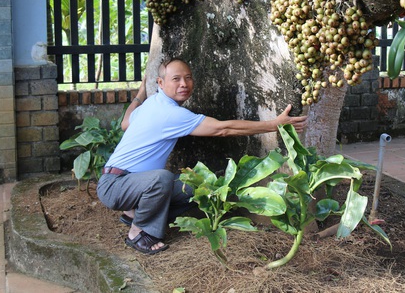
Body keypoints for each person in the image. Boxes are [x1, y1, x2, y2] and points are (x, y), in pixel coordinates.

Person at [96, 58, 308, 255]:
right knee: (161, 178)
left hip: (125, 184)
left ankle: (134, 212)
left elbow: (126, 122)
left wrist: (140, 94)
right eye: (176, 79)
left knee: (198, 189)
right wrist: (274, 124)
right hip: (115, 186)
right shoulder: (170, 113)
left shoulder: (152, 103)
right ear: (161, 83)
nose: (184, 84)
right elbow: (222, 129)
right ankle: (138, 232)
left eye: (188, 78)